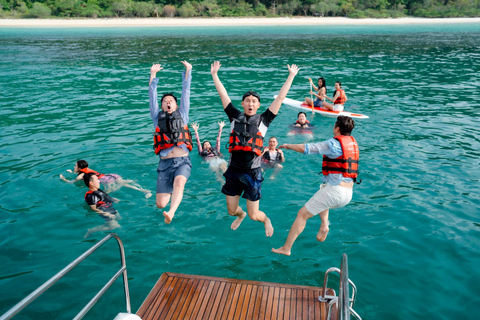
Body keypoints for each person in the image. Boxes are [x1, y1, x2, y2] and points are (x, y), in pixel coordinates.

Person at [211, 60, 299, 237]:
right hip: (234, 170)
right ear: (242, 104)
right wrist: (214, 75)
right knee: (231, 211)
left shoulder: (264, 120)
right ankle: (240, 214)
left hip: (252, 172)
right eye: (247, 101)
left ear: (258, 105)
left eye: (254, 101)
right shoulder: (234, 116)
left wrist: (291, 76)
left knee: (254, 215)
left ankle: (266, 219)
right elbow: (223, 95)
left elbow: (280, 98)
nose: (251, 103)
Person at [272, 116, 359, 256]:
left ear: (337, 128)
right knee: (323, 189)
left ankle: (286, 248)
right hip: (348, 193)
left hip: (335, 192)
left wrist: (288, 145)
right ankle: (324, 225)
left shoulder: (333, 144)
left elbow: (307, 148)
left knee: (302, 214)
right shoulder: (353, 143)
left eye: (334, 125)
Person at [149, 60, 193, 224]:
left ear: (175, 104)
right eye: (165, 100)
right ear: (161, 105)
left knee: (179, 182)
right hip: (165, 164)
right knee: (160, 204)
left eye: (171, 100)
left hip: (182, 160)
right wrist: (153, 74)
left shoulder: (183, 114)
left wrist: (188, 70)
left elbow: (186, 92)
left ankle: (172, 212)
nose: (168, 102)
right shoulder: (156, 118)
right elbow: (151, 96)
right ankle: (173, 197)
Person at [60, 160, 152, 198]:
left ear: (79, 168)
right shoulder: (86, 169)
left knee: (107, 193)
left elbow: (72, 182)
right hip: (110, 176)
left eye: (75, 166)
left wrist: (64, 179)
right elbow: (85, 173)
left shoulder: (80, 176)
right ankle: (144, 190)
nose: (74, 166)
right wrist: (72, 172)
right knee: (124, 184)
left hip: (106, 181)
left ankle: (143, 191)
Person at [83, 173, 121, 238]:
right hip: (104, 211)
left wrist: (113, 199)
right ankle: (92, 230)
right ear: (91, 183)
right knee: (115, 226)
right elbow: (93, 208)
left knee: (119, 218)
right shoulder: (91, 196)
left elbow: (103, 197)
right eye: (97, 180)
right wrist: (106, 214)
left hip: (109, 208)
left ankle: (108, 224)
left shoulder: (97, 191)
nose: (99, 181)